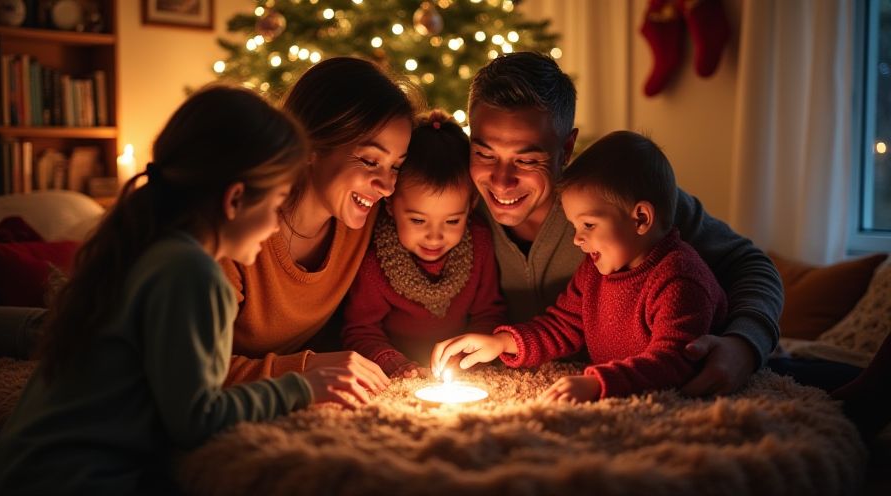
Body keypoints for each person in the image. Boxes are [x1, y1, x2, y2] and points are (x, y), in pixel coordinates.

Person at [0, 86, 370, 495]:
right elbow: (197, 419)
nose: (276, 225)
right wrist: (305, 386)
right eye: (278, 202)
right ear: (236, 199)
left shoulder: (148, 250)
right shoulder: (191, 272)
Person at [463, 52, 783, 396]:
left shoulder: (618, 201)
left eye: (527, 159)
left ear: (566, 148)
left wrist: (745, 344)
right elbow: (561, 323)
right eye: (484, 154)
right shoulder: (453, 211)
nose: (501, 180)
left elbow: (750, 265)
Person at [432, 131, 727, 402]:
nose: (577, 239)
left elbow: (674, 361)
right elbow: (563, 325)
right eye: (575, 225)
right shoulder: (594, 272)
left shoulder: (679, 278)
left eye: (588, 224)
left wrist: (599, 383)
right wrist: (501, 342)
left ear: (640, 218)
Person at [220, 57, 416, 390]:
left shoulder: (366, 220)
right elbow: (190, 374)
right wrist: (308, 368)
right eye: (370, 161)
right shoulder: (236, 230)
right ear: (310, 145)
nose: (386, 187)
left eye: (396, 166)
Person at [341, 111, 505, 378]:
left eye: (452, 221)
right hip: (400, 371)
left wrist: (467, 357)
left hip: (457, 369)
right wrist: (394, 362)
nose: (434, 236)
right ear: (391, 205)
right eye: (418, 220)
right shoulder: (376, 260)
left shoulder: (479, 242)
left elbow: (489, 313)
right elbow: (360, 330)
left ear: (471, 206)